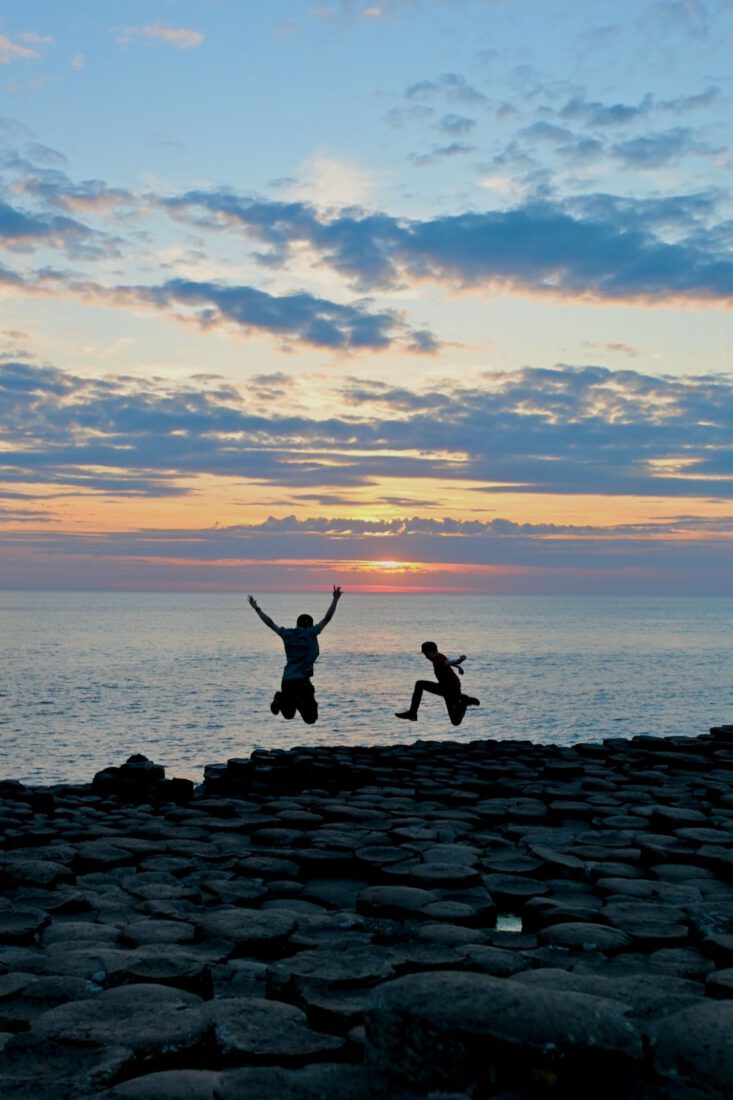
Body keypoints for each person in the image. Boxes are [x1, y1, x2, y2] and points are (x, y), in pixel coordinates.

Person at [248, 586, 342, 725]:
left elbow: (270, 623)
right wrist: (335, 599)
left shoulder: (287, 634)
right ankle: (293, 699)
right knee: (311, 718)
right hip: (302, 682)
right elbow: (327, 618)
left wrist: (257, 608)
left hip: (287, 681)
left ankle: (281, 698)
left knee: (288, 715)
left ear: (297, 624)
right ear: (310, 625)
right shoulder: (311, 633)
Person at [395, 640, 480, 727]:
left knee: (419, 684)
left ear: (431, 653)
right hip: (448, 688)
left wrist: (460, 660)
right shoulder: (440, 657)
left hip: (449, 688)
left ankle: (412, 713)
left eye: (426, 654)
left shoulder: (438, 659)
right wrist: (459, 667)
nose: (426, 657)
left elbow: (451, 662)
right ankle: (463, 702)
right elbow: (449, 662)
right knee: (455, 721)